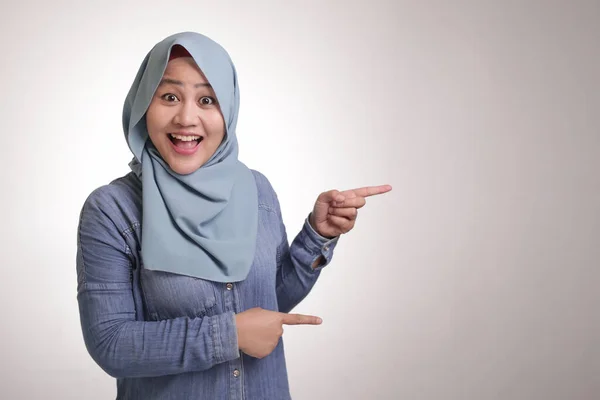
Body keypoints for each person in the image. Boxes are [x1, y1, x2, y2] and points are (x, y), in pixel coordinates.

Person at [76, 31, 391, 400]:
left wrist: (316, 236)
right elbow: (111, 343)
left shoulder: (256, 191)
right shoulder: (112, 209)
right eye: (170, 96)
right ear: (144, 104)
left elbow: (267, 303)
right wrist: (229, 335)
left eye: (207, 99)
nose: (186, 117)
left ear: (228, 109)